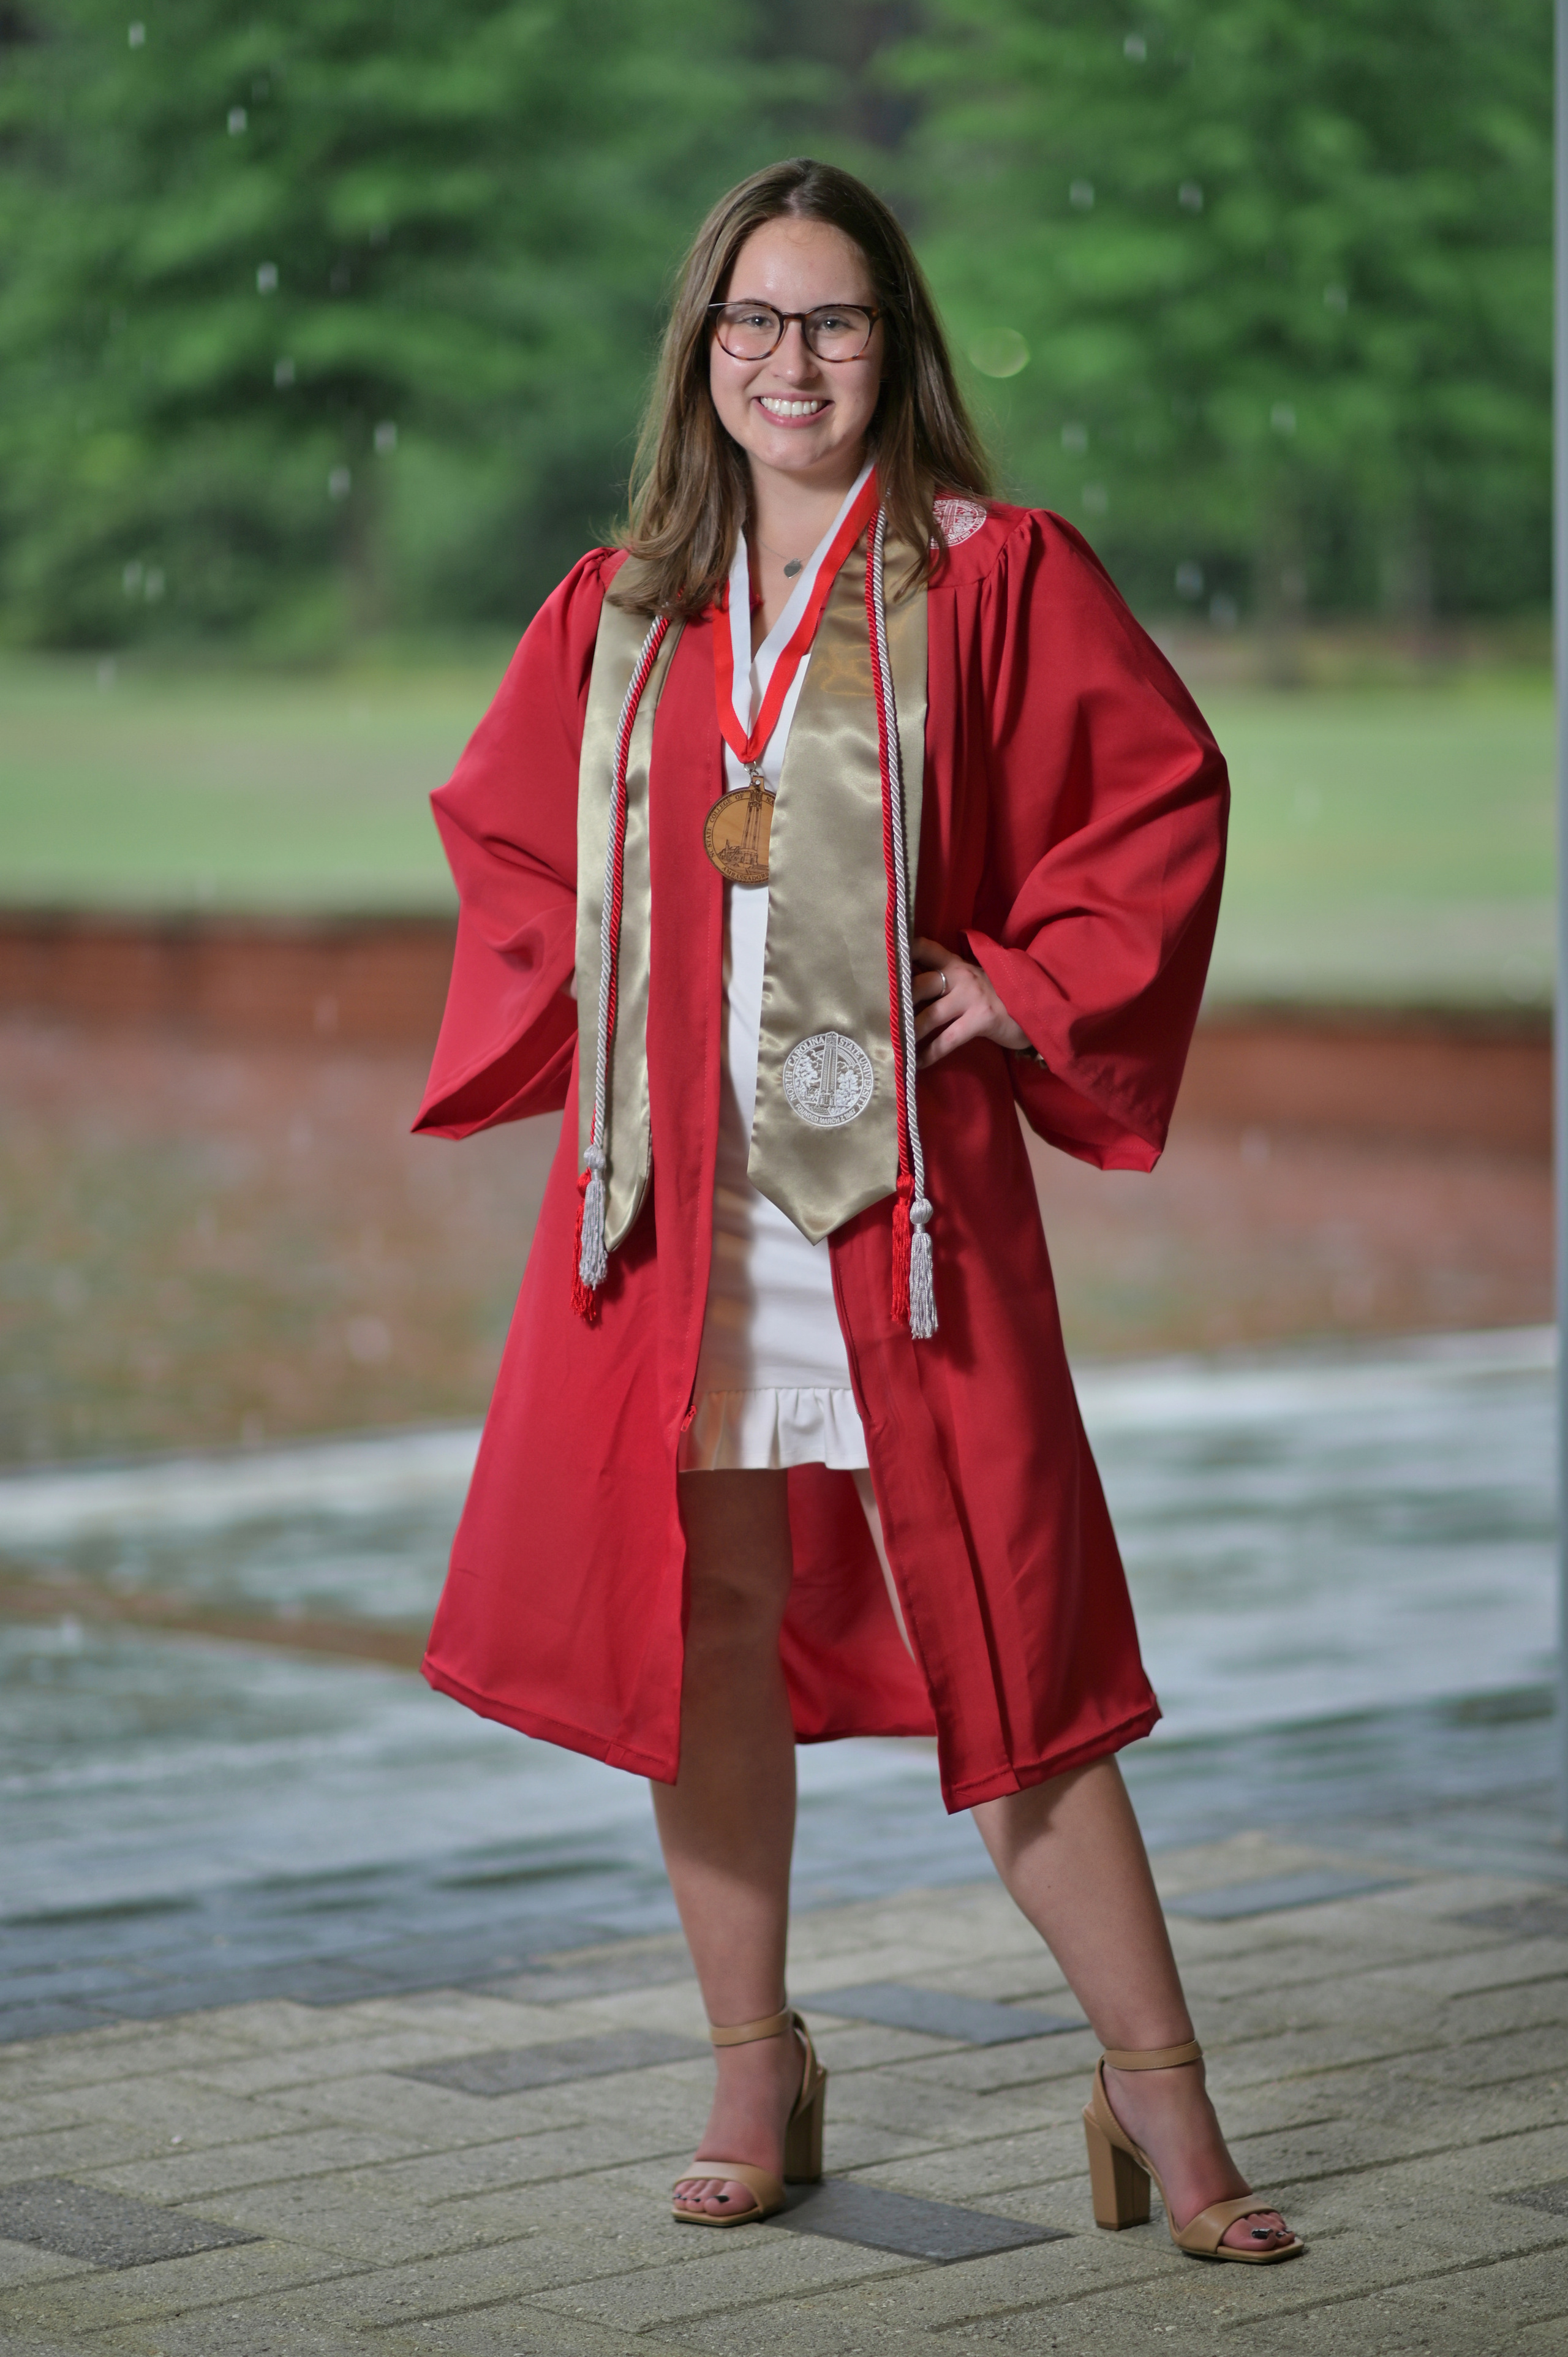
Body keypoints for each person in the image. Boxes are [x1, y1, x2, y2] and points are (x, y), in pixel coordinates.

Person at [413, 156, 1301, 2264]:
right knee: (703, 1625)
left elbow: (1157, 793)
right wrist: (604, 1009)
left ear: (891, 346)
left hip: (899, 1211)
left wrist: (1025, 983)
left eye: (830, 322)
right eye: (750, 322)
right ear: (699, 355)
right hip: (681, 1220)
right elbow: (509, 845)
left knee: (1017, 1633)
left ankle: (1158, 2093)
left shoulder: (989, 576)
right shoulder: (624, 606)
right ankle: (755, 2059)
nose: (787, 361)